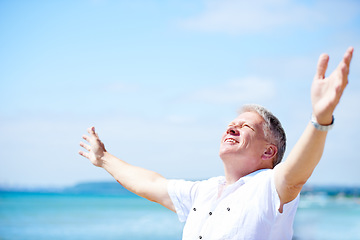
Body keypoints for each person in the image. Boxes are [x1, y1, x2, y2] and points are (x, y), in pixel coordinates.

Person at [79, 47, 354, 240]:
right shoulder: (204, 191)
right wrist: (103, 158)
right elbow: (150, 183)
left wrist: (320, 118)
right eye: (231, 124)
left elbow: (297, 173)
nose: (232, 127)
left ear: (268, 151)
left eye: (245, 126)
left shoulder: (269, 187)